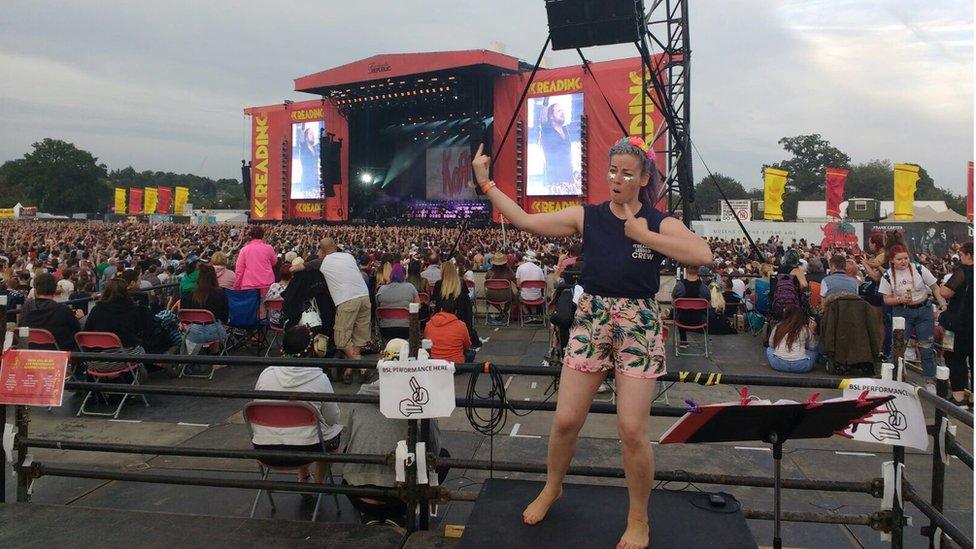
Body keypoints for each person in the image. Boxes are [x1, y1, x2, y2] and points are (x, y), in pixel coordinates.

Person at [472, 136, 712, 549]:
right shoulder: (589, 216)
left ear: (643, 178)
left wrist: (643, 235)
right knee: (565, 420)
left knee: (632, 429)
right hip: (592, 319)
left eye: (626, 173)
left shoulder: (657, 221)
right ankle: (553, 487)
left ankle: (638, 517)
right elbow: (527, 221)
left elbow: (703, 254)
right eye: (612, 170)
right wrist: (486, 183)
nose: (616, 179)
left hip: (638, 323)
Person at [251, 326, 342, 485]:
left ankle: (304, 477)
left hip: (265, 450)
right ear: (312, 348)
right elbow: (332, 417)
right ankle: (319, 484)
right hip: (306, 450)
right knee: (330, 433)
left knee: (298, 425)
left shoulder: (266, 374)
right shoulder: (320, 379)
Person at [878, 244, 947, 392]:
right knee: (898, 346)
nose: (903, 262)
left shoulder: (919, 269)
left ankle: (929, 380)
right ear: (892, 260)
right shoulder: (887, 276)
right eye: (899, 259)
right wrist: (900, 300)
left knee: (926, 346)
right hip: (902, 311)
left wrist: (942, 303)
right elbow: (886, 299)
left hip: (923, 310)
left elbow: (935, 287)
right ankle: (894, 379)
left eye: (906, 258)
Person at [317, 238, 371, 382]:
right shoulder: (349, 256)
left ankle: (362, 367)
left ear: (322, 250)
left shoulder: (324, 262)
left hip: (347, 300)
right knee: (359, 336)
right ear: (335, 246)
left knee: (341, 339)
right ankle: (349, 369)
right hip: (364, 297)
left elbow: (304, 266)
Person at [83, 278, 153, 373]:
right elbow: (140, 332)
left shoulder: (97, 309)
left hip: (96, 361)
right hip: (124, 358)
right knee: (141, 349)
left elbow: (87, 331)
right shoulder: (132, 309)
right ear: (126, 292)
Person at [939, 242, 972, 408]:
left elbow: (945, 292)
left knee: (953, 357)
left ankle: (958, 396)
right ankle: (973, 397)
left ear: (967, 255)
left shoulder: (963, 270)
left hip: (956, 324)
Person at [18, 272, 82, 351]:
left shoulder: (26, 308)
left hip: (31, 351)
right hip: (56, 353)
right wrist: (79, 319)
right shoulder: (63, 310)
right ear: (55, 289)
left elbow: (20, 327)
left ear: (35, 288)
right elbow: (77, 331)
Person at [179, 263, 228, 355]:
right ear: (214, 277)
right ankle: (216, 359)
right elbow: (225, 316)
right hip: (215, 332)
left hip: (193, 334)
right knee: (216, 324)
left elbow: (184, 318)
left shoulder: (188, 294)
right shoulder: (220, 293)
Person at [766, 306, 819, 373]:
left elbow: (771, 344)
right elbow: (812, 347)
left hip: (778, 364)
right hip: (801, 365)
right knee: (814, 352)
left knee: (769, 349)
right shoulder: (805, 329)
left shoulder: (778, 327)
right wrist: (813, 332)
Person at [375, 263, 418, 340]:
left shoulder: (381, 289)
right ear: (404, 276)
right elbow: (418, 306)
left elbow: (378, 306)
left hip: (385, 329)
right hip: (406, 328)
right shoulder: (410, 287)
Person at [671, 266, 711, 348]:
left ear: (686, 272)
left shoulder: (679, 286)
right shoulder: (704, 288)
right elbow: (709, 305)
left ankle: (683, 341)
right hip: (700, 321)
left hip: (682, 321)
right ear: (698, 272)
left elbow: (673, 304)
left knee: (679, 312)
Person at [424, 299, 473, 363]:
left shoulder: (429, 324)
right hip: (455, 364)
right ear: (455, 312)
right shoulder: (461, 325)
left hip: (433, 362)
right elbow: (467, 346)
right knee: (471, 353)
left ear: (441, 309)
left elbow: (426, 340)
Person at [234, 226, 277, 298]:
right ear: (262, 235)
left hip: (249, 285)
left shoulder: (244, 249)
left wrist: (237, 286)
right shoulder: (269, 248)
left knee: (250, 308)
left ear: (250, 236)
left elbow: (239, 270)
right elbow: (274, 262)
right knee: (266, 307)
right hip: (266, 283)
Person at [539, 102, 574, 189]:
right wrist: (546, 97)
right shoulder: (547, 130)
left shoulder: (566, 130)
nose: (562, 113)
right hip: (554, 181)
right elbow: (543, 117)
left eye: (562, 111)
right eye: (559, 111)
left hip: (569, 180)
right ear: (551, 116)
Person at [515, 251, 546, 318]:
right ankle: (534, 313)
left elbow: (518, 285)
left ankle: (527, 314)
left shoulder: (520, 268)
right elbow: (543, 284)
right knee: (533, 292)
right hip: (537, 297)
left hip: (525, 296)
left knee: (517, 296)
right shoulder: (539, 269)